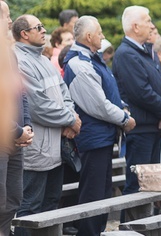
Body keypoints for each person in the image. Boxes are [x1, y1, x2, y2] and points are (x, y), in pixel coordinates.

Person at [63, 16, 135, 236]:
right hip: (92, 137)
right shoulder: (78, 63)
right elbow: (98, 105)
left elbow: (108, 90)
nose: (103, 35)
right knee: (93, 193)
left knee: (102, 192)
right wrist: (124, 119)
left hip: (103, 136)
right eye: (100, 32)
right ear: (89, 36)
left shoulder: (92, 58)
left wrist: (123, 107)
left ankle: (98, 231)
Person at [13, 15, 80, 235]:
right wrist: (70, 119)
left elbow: (64, 93)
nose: (44, 31)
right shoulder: (20, 61)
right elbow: (38, 106)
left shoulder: (43, 59)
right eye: (38, 27)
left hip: (55, 149)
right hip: (36, 151)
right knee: (30, 209)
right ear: (24, 33)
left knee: (51, 205)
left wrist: (70, 116)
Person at [112, 6, 161, 198]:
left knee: (152, 185)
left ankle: (148, 227)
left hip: (155, 125)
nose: (152, 25)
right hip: (140, 129)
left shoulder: (148, 51)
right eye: (148, 21)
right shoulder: (126, 54)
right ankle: (130, 227)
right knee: (137, 185)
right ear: (135, 26)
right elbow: (141, 92)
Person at [0, 0, 33, 236]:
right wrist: (16, 130)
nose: (11, 20)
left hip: (16, 141)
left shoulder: (8, 53)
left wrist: (26, 126)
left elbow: (20, 93)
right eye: (5, 15)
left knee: (13, 199)